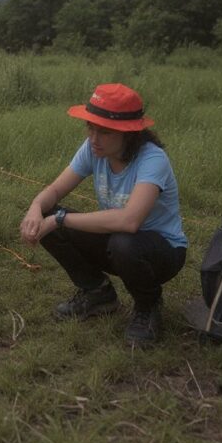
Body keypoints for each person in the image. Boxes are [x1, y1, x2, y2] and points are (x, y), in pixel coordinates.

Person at [19, 83, 187, 346]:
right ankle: (97, 292)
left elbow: (129, 221)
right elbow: (55, 190)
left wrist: (59, 219)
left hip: (161, 252)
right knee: (47, 213)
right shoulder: (94, 149)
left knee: (120, 241)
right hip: (116, 242)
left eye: (105, 131)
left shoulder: (153, 160)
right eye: (91, 128)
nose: (94, 138)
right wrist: (35, 207)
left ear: (128, 133)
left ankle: (148, 306)